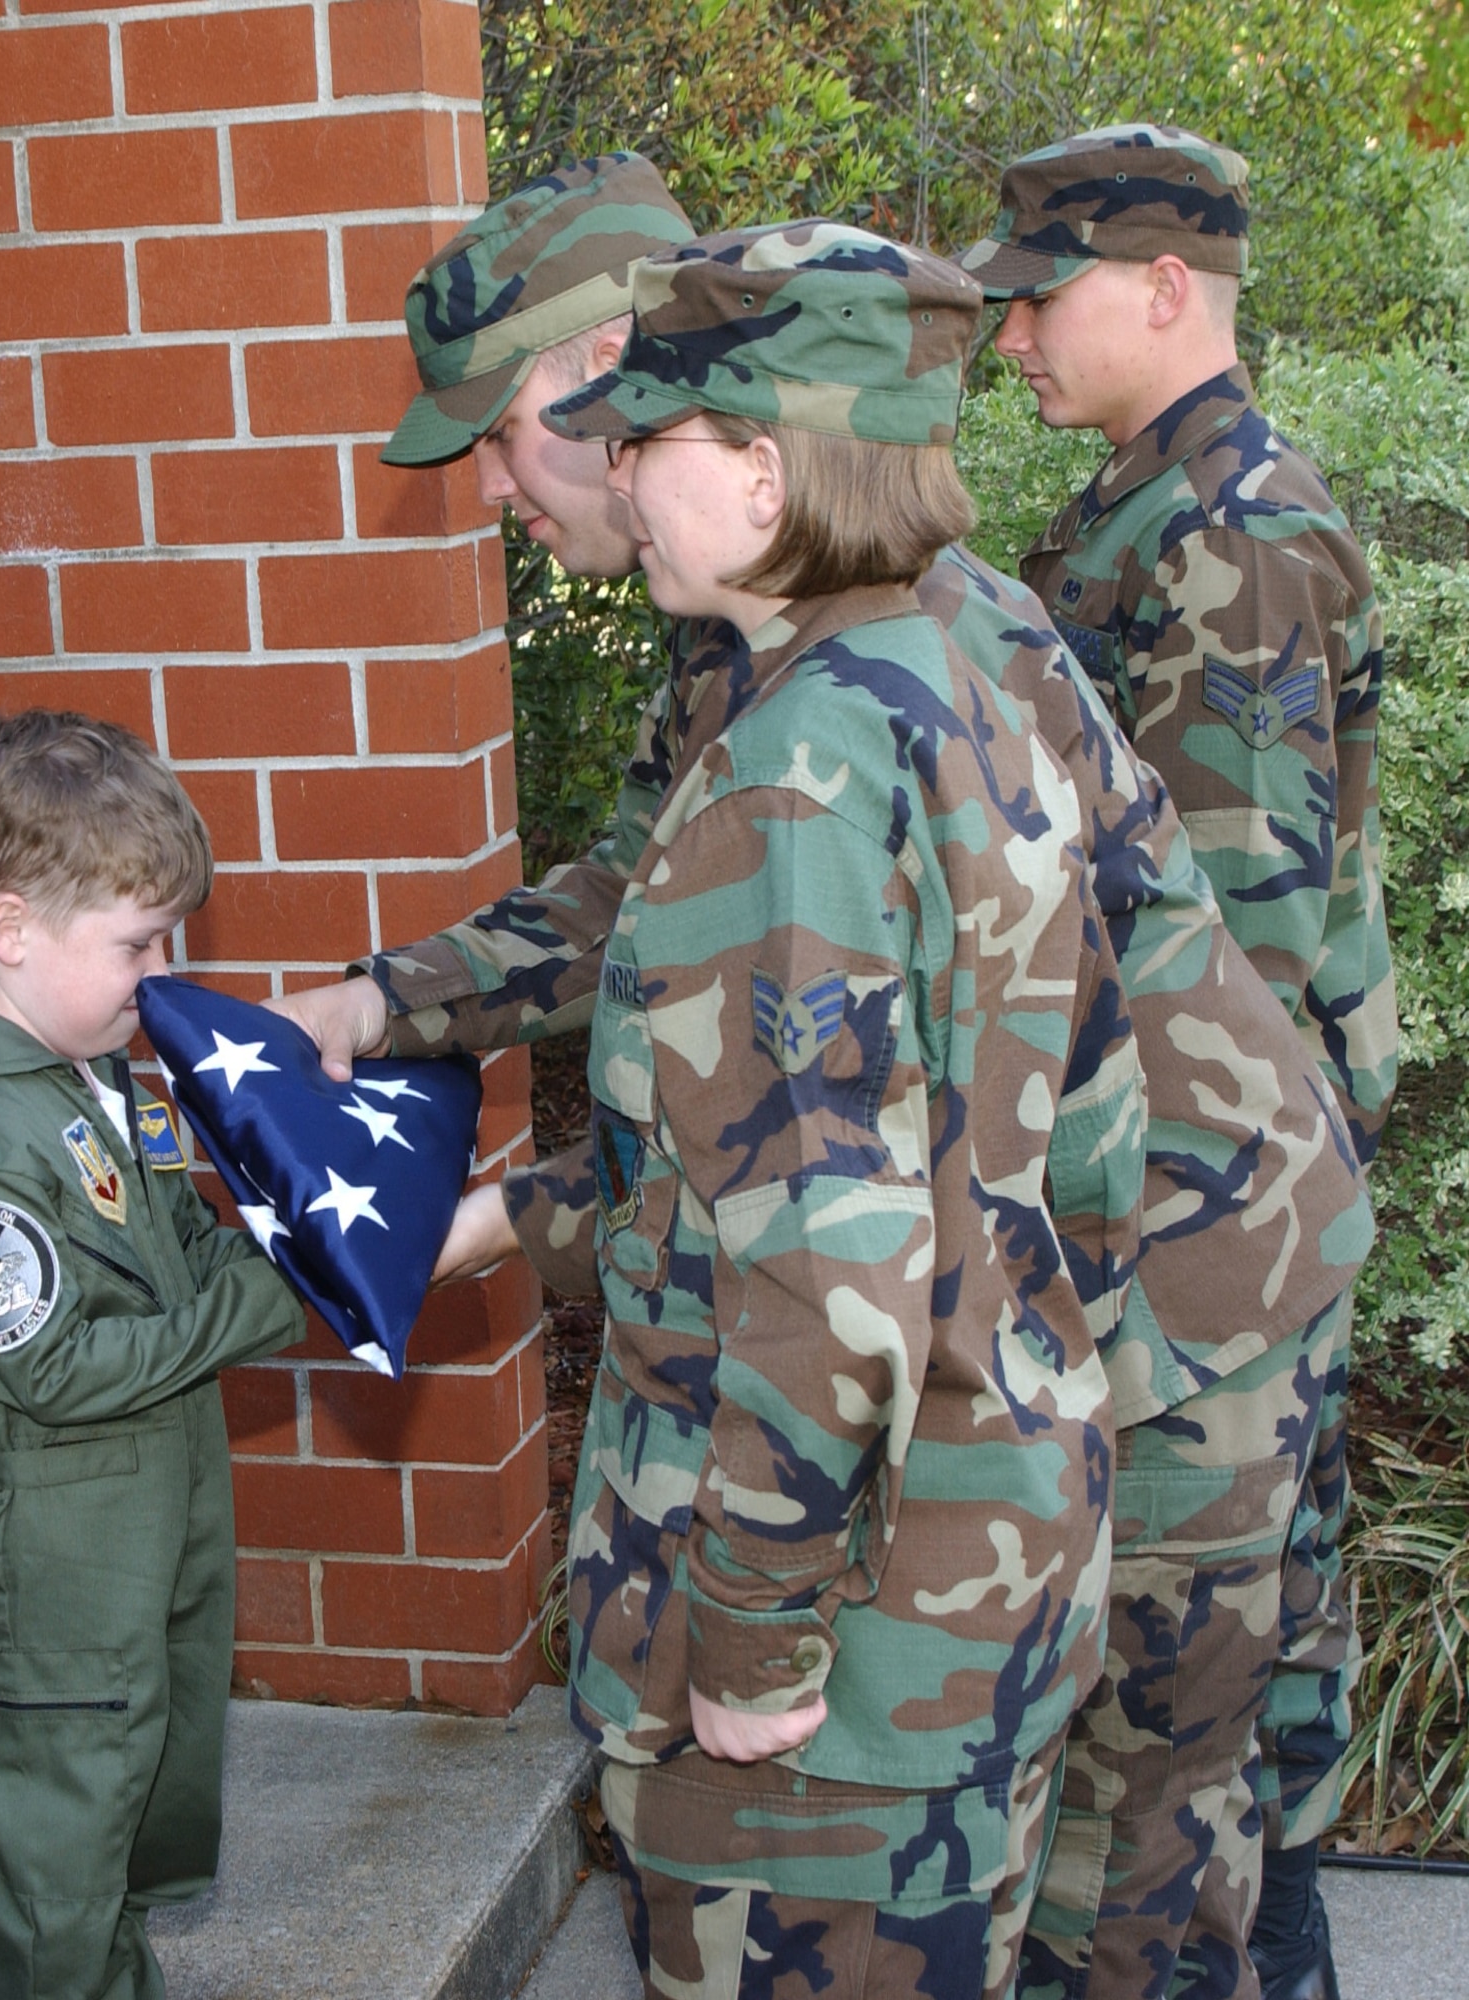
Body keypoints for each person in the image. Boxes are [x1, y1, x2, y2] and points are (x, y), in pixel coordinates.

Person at [279, 146, 1370, 1994]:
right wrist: (378, 1014)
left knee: (1153, 1883)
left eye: (508, 431)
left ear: (638, 384)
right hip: (1025, 1309)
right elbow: (680, 949)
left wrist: (749, 1614)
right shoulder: (802, 640)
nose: (498, 484)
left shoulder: (852, 684)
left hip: (1174, 1312)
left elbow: (839, 1185)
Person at [545, 218, 1146, 1999]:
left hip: (848, 1680)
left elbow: (824, 1284)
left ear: (756, 465)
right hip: (992, 1551)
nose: (617, 477)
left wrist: (746, 1643)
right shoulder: (962, 679)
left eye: (641, 441)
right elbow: (1088, 1146)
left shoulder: (798, 773)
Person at [960, 123, 1398, 2000]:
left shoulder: (1232, 537)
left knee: (1185, 1728)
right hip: (1220, 1214)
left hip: (1212, 1220)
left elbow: (1226, 954)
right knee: (1235, 1703)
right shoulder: (1149, 508)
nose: (1007, 341)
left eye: (1037, 296)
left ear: (1162, 289)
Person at [0, 710, 307, 2000]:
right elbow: (55, 1372)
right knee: (54, 1905)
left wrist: (312, 1253)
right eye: (138, 942)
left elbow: (179, 1236)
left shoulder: (92, 1081)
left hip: (137, 1556)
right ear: (10, 930)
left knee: (116, 1855)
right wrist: (286, 1303)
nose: (163, 973)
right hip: (48, 1608)